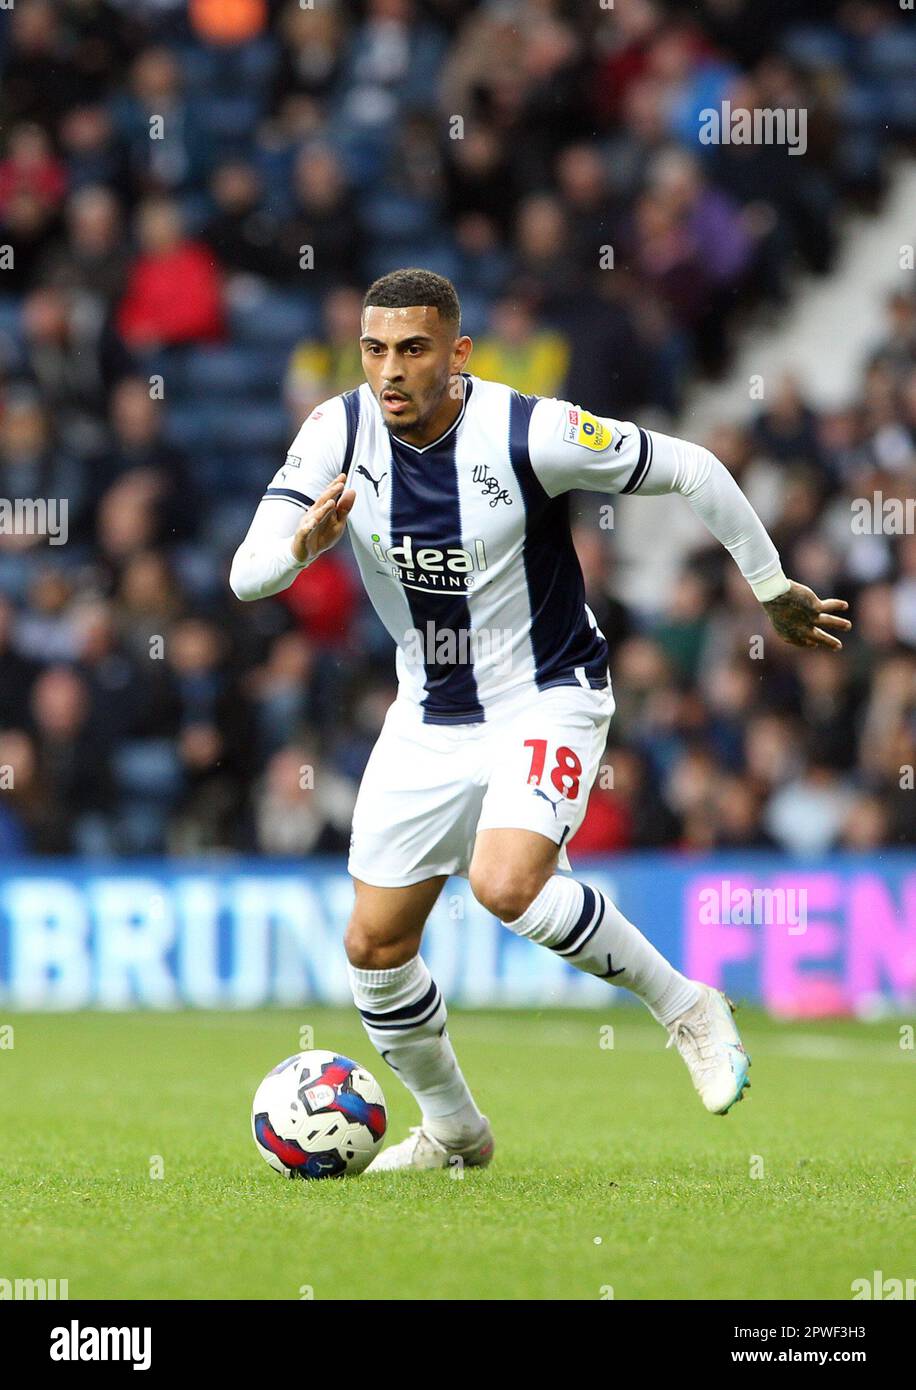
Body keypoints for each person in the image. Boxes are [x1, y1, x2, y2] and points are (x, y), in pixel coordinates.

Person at [230, 268, 851, 1172]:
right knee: (374, 946)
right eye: (375, 350)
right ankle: (453, 1133)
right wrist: (300, 546)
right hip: (429, 712)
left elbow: (695, 467)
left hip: (547, 693)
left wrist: (770, 588)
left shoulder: (532, 430)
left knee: (506, 882)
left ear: (459, 353)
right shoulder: (338, 430)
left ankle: (687, 1008)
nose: (391, 371)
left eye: (413, 349)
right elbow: (246, 573)